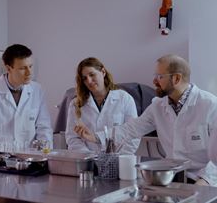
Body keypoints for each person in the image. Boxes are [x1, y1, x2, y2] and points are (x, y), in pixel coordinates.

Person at [75, 54, 217, 186]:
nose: (154, 81)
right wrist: (96, 137)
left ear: (176, 78)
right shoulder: (158, 106)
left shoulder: (209, 105)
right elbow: (130, 129)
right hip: (172, 179)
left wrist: (204, 181)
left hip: (205, 182)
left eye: (159, 76)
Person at [0, 44, 52, 150]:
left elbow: (44, 128)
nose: (29, 72)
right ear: (8, 68)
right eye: (23, 68)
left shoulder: (37, 91)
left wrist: (44, 154)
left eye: (30, 66)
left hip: (29, 159)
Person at [65, 57, 139, 154]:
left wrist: (120, 159)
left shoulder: (124, 98)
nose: (89, 81)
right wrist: (89, 158)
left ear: (103, 72)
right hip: (88, 162)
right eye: (84, 78)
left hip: (119, 161)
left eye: (92, 75)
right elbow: (72, 138)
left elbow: (133, 135)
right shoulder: (75, 104)